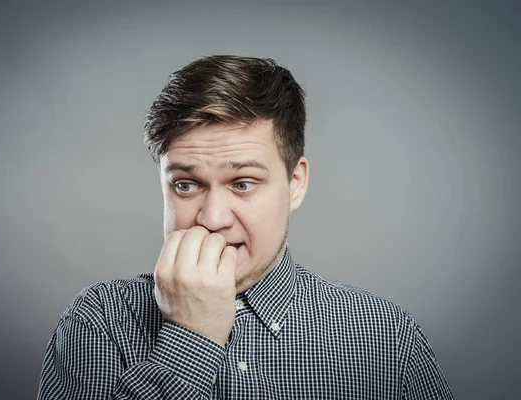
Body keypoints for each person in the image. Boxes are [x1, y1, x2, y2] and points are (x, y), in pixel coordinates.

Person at [37, 55, 453, 399]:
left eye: (243, 183)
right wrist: (190, 338)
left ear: (295, 184)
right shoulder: (100, 320)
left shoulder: (385, 335)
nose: (213, 219)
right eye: (186, 184)